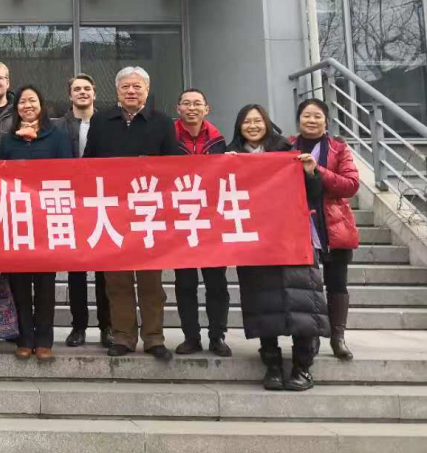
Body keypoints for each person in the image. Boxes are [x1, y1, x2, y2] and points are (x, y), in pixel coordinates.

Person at [229, 103, 330, 390]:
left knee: (302, 302)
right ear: (239, 127)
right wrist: (224, 167)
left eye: (257, 121)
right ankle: (272, 365)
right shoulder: (229, 154)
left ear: (267, 123)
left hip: (292, 239)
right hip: (255, 243)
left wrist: (310, 172)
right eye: (247, 121)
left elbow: (314, 193)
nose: (252, 126)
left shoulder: (287, 150)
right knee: (264, 305)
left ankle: (302, 366)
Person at [84, 66, 179, 361]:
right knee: (117, 281)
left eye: (137, 86)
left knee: (151, 282)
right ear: (117, 90)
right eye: (125, 86)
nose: (131, 91)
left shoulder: (162, 122)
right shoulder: (101, 121)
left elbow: (174, 166)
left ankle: (154, 338)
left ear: (147, 91)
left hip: (149, 212)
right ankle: (123, 336)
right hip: (113, 212)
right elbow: (87, 163)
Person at [0, 85, 73, 362]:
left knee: (45, 284)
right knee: (19, 283)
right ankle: (24, 338)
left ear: (41, 105)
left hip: (46, 220)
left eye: (32, 100)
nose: (27, 105)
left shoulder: (58, 137)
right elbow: (0, 178)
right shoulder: (8, 140)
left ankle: (44, 339)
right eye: (22, 102)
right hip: (17, 219)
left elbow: (68, 173)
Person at [293, 98, 360, 362]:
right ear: (298, 120)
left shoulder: (338, 148)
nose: (311, 120)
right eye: (306, 116)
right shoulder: (288, 146)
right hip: (299, 223)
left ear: (326, 121)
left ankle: (338, 337)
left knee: (337, 284)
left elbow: (351, 185)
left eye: (317, 116)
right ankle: (312, 336)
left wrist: (317, 170)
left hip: (334, 224)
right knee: (307, 285)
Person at [172, 88, 231, 357]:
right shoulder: (168, 138)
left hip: (212, 222)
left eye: (197, 103)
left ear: (207, 109)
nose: (192, 108)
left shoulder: (219, 141)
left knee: (216, 283)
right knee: (185, 283)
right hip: (179, 219)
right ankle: (191, 337)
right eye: (186, 103)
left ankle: (217, 336)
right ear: (178, 109)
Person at [62, 73, 111, 348]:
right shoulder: (59, 126)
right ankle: (78, 326)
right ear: (70, 95)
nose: (82, 92)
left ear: (94, 93)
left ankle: (107, 326)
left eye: (87, 89)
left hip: (102, 200)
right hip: (71, 202)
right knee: (76, 270)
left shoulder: (108, 123)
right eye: (77, 89)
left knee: (104, 270)